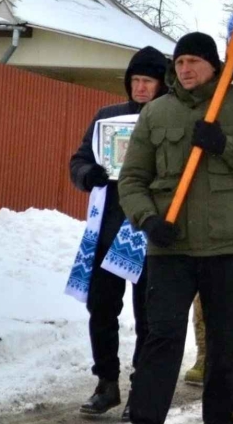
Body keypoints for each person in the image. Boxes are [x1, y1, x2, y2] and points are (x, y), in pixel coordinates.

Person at [118, 32, 233, 424]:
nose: (185, 69)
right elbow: (132, 179)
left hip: (228, 247)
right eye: (179, 62)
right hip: (170, 247)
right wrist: (148, 219)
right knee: (161, 339)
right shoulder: (156, 112)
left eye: (193, 61)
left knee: (226, 345)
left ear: (214, 65)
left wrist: (225, 145)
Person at [69, 46, 168, 419]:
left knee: (149, 316)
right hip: (108, 229)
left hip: (149, 233)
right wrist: (88, 175)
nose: (141, 88)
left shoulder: (170, 119)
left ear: (162, 84)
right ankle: (106, 383)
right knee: (101, 308)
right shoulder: (107, 118)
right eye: (135, 80)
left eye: (148, 81)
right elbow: (80, 159)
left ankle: (142, 389)